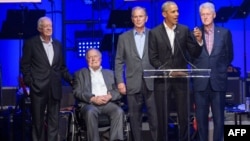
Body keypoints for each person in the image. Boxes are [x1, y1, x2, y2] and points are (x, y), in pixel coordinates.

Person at [148, 1, 203, 141]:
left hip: (181, 80)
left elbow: (194, 53)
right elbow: (153, 59)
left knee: (184, 117)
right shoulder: (154, 33)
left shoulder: (184, 30)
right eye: (173, 12)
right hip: (162, 81)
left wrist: (199, 41)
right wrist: (169, 72)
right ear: (164, 14)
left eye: (177, 11)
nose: (177, 14)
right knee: (162, 117)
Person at [20, 16, 73, 141]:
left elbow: (62, 67)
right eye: (46, 26)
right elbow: (25, 65)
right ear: (39, 28)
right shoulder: (31, 43)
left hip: (54, 89)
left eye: (51, 26)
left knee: (54, 122)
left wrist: (71, 80)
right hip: (38, 88)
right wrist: (30, 82)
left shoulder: (58, 45)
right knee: (37, 123)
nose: (49, 28)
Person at [115, 6, 158, 141]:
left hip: (152, 83)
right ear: (132, 19)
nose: (138, 19)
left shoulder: (154, 35)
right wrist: (120, 82)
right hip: (132, 83)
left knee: (155, 119)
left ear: (146, 18)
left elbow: (161, 59)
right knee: (135, 120)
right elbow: (119, 61)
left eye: (141, 16)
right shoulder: (123, 38)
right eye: (135, 16)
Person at [192, 2, 234, 141]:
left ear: (214, 15)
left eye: (208, 14)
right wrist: (198, 42)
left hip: (218, 81)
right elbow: (190, 56)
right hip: (200, 83)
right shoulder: (195, 34)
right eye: (202, 14)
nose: (205, 17)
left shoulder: (224, 33)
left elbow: (229, 55)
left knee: (218, 119)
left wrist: (220, 68)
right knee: (201, 120)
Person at [73, 48, 124, 141]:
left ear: (100, 59)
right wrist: (92, 98)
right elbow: (77, 92)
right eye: (90, 57)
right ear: (86, 60)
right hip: (90, 104)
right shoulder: (79, 74)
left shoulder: (111, 74)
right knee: (90, 112)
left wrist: (109, 96)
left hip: (107, 103)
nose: (93, 59)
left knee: (118, 111)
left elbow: (118, 91)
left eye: (95, 56)